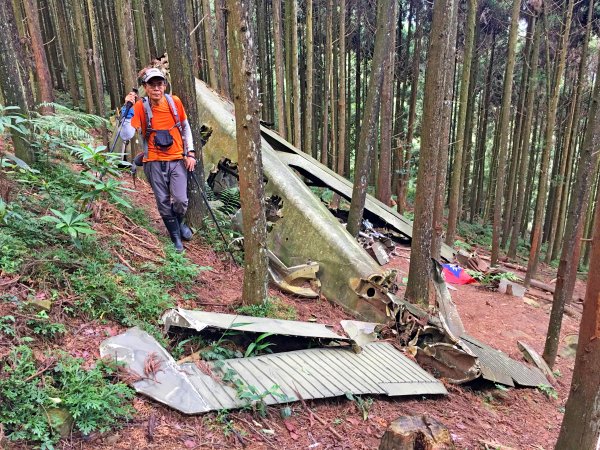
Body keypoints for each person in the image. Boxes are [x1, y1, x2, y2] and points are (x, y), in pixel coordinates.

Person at [120, 67, 197, 252]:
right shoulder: (140, 107)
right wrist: (126, 110)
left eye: (160, 84)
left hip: (177, 159)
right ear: (145, 87)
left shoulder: (174, 102)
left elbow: (185, 128)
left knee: (180, 200)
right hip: (153, 161)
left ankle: (179, 225)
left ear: (164, 85)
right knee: (163, 202)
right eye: (152, 84)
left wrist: (191, 153)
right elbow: (126, 134)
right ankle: (176, 238)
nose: (156, 88)